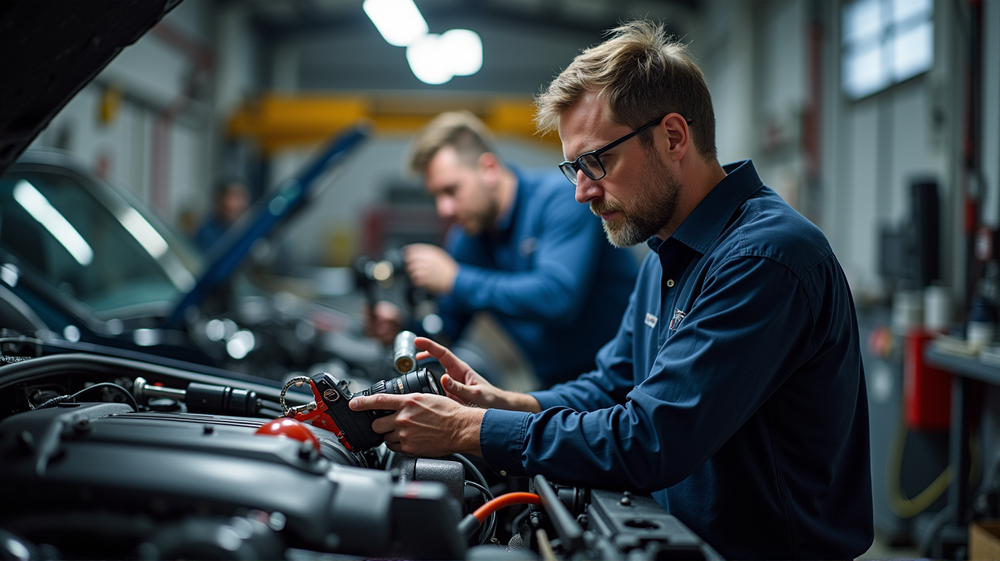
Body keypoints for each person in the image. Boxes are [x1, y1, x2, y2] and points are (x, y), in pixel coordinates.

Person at [350, 20, 873, 559]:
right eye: (573, 167)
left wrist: (475, 429)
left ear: (673, 136)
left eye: (597, 161)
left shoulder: (764, 259)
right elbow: (612, 384)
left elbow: (651, 438)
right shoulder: (667, 251)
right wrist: (509, 404)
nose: (581, 192)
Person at [366, 111, 638, 387]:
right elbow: (447, 330)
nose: (444, 209)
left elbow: (557, 297)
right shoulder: (468, 237)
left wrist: (454, 279)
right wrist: (404, 331)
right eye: (436, 196)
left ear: (489, 169)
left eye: (451, 191)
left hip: (625, 377)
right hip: (557, 385)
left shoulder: (560, 199)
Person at [194, 180, 249, 252]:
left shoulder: (248, 227)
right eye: (233, 197)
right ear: (220, 202)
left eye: (242, 198)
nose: (238, 204)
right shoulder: (206, 232)